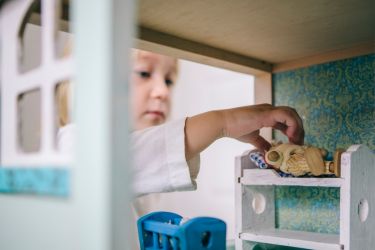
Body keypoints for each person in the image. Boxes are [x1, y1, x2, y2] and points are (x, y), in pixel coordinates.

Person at [57, 49, 304, 247]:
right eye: (143, 73)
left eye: (168, 79)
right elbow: (129, 158)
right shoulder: (74, 144)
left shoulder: (140, 179)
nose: (163, 91)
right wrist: (223, 122)